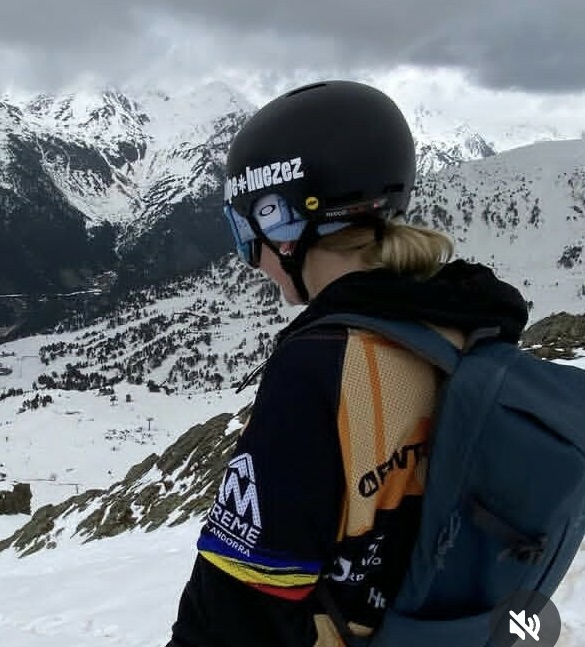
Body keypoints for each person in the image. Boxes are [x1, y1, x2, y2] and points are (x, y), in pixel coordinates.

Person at [166, 80, 529, 646]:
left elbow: (236, 605)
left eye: (246, 233)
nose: (252, 261)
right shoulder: (466, 326)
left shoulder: (318, 369)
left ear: (285, 226)